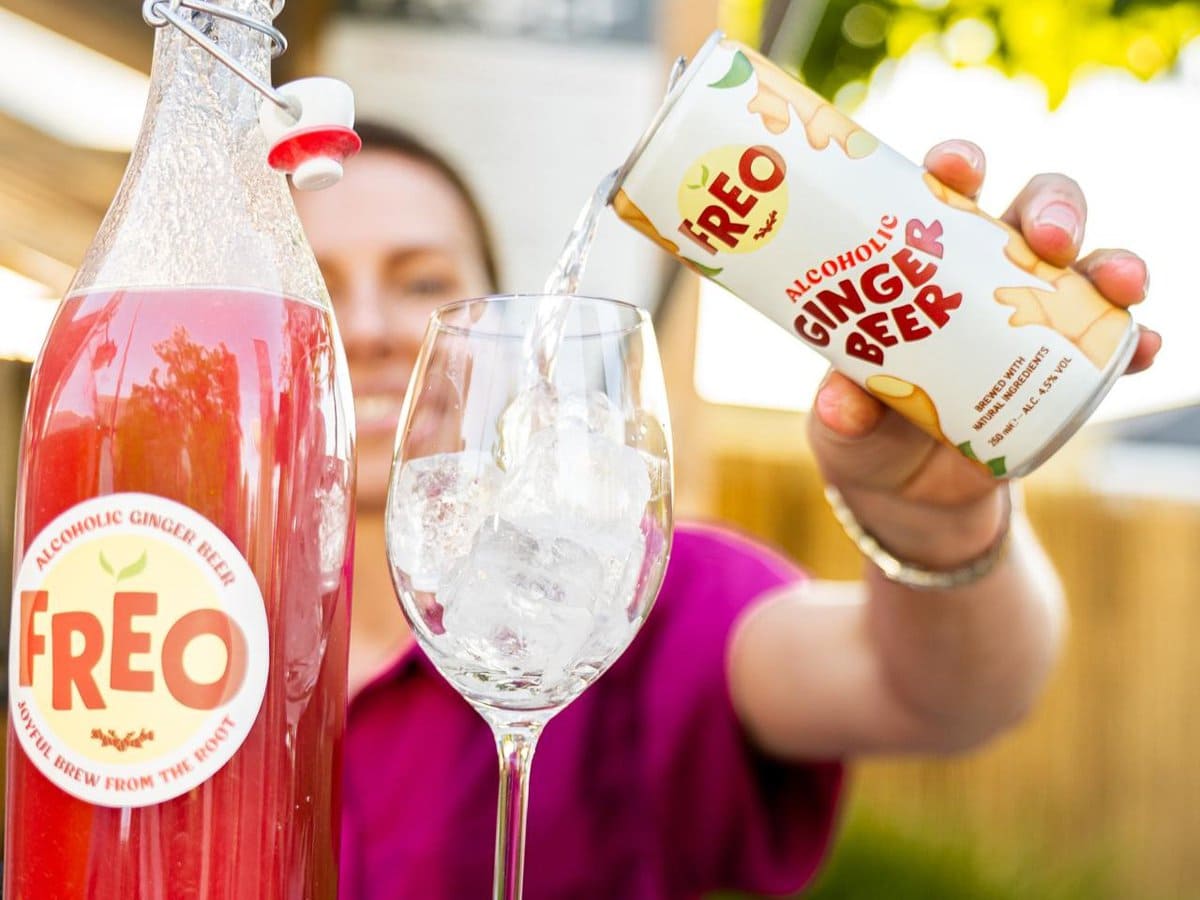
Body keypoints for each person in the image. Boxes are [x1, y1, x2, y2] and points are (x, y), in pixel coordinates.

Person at [293, 121, 1161, 899]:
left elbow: (934, 694)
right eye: (311, 282)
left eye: (422, 282)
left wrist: (937, 524)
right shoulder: (210, 605)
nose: (366, 328)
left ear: (520, 336)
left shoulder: (632, 589)